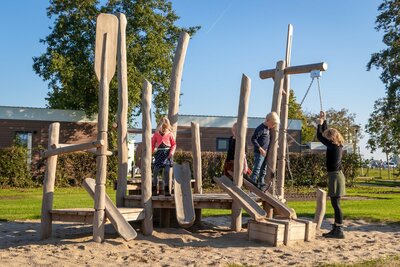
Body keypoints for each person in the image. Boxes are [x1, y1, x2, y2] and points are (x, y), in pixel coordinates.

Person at [317, 111, 346, 239]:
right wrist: (324, 120)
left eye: (328, 137)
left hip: (336, 177)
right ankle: (336, 228)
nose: (326, 139)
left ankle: (339, 229)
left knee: (336, 204)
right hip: (336, 175)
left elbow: (319, 136)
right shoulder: (337, 145)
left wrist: (319, 124)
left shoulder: (333, 146)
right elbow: (324, 134)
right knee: (335, 204)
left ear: (332, 137)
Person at [249, 112, 279, 191]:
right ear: (267, 120)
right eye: (272, 124)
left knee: (263, 168)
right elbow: (253, 139)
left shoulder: (268, 129)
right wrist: (260, 148)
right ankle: (252, 182)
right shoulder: (261, 128)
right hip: (259, 152)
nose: (273, 126)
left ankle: (261, 183)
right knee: (257, 168)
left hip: (265, 153)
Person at [151, 117, 176, 196]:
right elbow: (152, 144)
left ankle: (167, 189)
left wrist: (171, 153)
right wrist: (150, 153)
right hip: (159, 153)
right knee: (155, 171)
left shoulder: (170, 134)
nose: (163, 128)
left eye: (165, 126)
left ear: (167, 126)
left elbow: (173, 144)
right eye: (162, 126)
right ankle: (155, 188)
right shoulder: (156, 134)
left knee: (166, 172)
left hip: (167, 154)